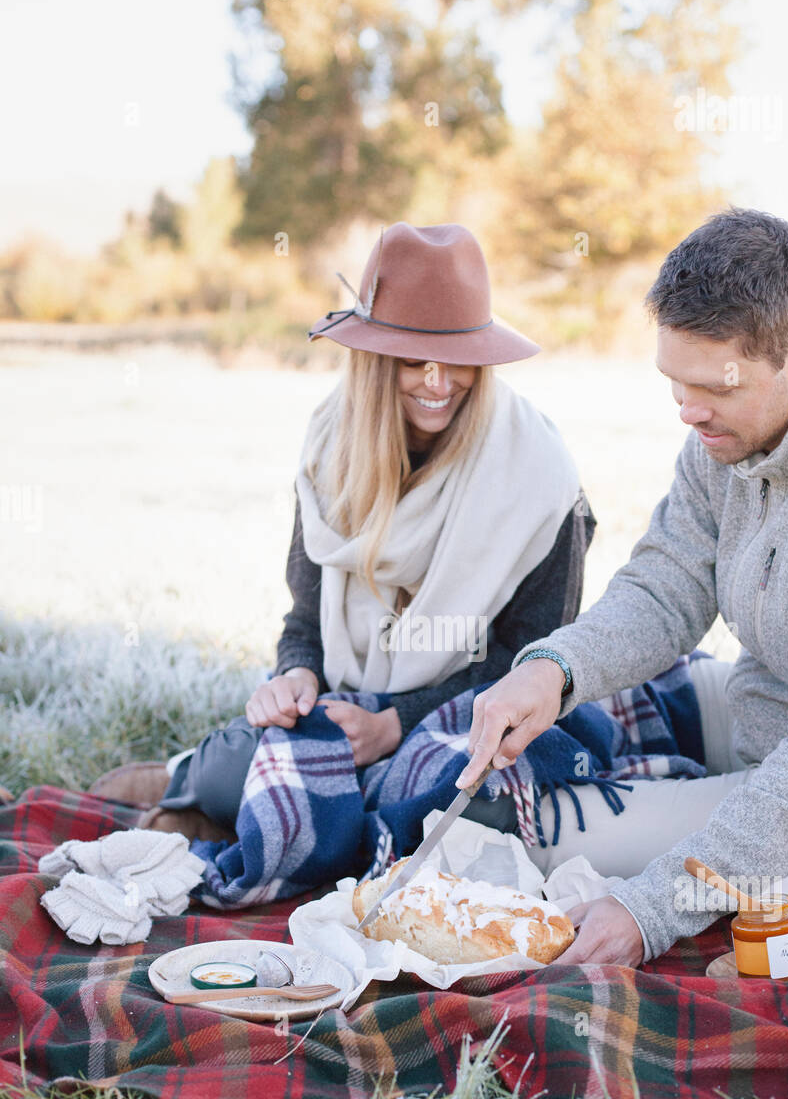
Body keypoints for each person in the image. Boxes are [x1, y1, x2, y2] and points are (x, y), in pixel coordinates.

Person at [92, 222, 594, 847]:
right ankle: (238, 792)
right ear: (376, 360)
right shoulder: (332, 451)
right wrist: (297, 677)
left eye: (460, 360)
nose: (439, 383)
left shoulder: (540, 476)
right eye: (415, 359)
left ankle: (232, 802)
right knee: (261, 762)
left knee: (474, 803)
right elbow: (304, 624)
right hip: (346, 711)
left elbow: (533, 662)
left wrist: (394, 723)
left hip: (470, 717)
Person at [457, 208, 788, 968]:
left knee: (516, 824)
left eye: (711, 388)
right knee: (520, 719)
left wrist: (652, 907)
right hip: (764, 709)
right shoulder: (726, 434)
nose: (687, 411)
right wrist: (557, 670)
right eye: (674, 383)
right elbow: (668, 581)